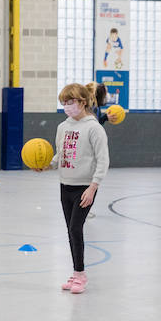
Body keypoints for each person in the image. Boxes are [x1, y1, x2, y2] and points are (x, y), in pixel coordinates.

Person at [50, 82, 109, 294]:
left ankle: (81, 274)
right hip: (65, 185)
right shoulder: (62, 127)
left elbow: (103, 161)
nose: (66, 105)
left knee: (76, 228)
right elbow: (61, 153)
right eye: (64, 102)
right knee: (70, 230)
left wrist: (93, 187)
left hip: (84, 187)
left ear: (83, 102)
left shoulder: (94, 128)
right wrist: (47, 164)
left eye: (70, 101)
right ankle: (77, 274)